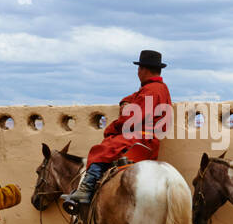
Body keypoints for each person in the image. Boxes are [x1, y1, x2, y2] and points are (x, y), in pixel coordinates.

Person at [62, 49, 173, 212]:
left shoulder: (150, 91)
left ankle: (86, 188)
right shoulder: (158, 88)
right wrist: (125, 102)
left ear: (144, 70)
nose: (138, 72)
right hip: (150, 139)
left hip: (141, 139)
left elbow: (133, 119)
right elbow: (133, 98)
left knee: (101, 149)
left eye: (139, 69)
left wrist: (112, 127)